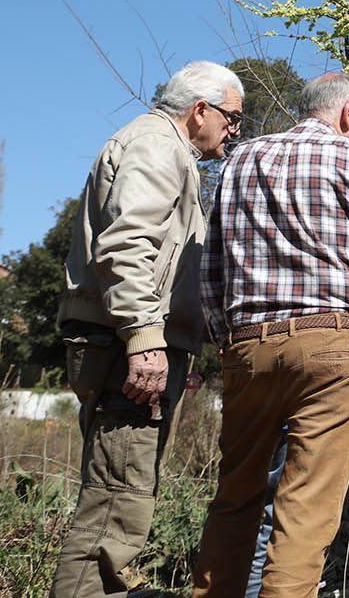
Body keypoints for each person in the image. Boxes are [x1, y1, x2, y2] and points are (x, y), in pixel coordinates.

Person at [191, 72, 349, 598]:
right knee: (304, 512)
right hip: (332, 342)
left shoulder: (240, 159)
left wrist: (225, 337)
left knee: (235, 499)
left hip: (248, 344)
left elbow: (211, 262)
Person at [52, 60, 243, 598]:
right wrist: (143, 339)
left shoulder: (163, 148)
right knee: (117, 500)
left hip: (125, 340)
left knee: (120, 493)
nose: (233, 131)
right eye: (232, 118)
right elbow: (127, 244)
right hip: (125, 345)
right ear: (199, 109)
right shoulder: (158, 147)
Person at [244, 345, 349, 598]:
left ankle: (339, 577)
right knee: (287, 512)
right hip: (318, 415)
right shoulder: (323, 319)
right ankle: (311, 580)